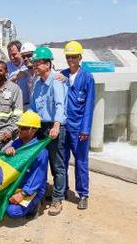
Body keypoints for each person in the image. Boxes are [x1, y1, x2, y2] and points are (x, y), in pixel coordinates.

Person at [30, 46, 67, 216]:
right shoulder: (37, 83)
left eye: (37, 63)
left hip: (55, 126)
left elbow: (60, 105)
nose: (35, 66)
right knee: (41, 162)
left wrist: (57, 126)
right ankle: (41, 194)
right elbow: (33, 107)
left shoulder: (56, 81)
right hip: (41, 127)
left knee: (57, 164)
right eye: (34, 63)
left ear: (48, 64)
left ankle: (58, 199)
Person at [61, 41, 95, 209]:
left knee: (81, 161)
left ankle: (83, 194)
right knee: (62, 160)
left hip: (79, 128)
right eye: (68, 56)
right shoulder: (62, 75)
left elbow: (89, 104)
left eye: (74, 56)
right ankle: (63, 189)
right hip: (63, 126)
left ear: (80, 57)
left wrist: (85, 128)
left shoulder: (87, 77)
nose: (71, 60)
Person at [4, 111, 48, 219]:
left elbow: (37, 177)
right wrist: (8, 150)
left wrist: (23, 194)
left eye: (24, 128)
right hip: (17, 184)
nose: (19, 130)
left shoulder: (41, 151)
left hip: (32, 188)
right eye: (19, 127)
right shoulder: (17, 143)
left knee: (12, 211)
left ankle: (35, 205)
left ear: (34, 130)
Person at [7, 41, 32, 110]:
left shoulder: (29, 64)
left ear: (20, 52)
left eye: (14, 54)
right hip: (12, 106)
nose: (12, 58)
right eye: (9, 55)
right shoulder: (7, 66)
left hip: (28, 105)